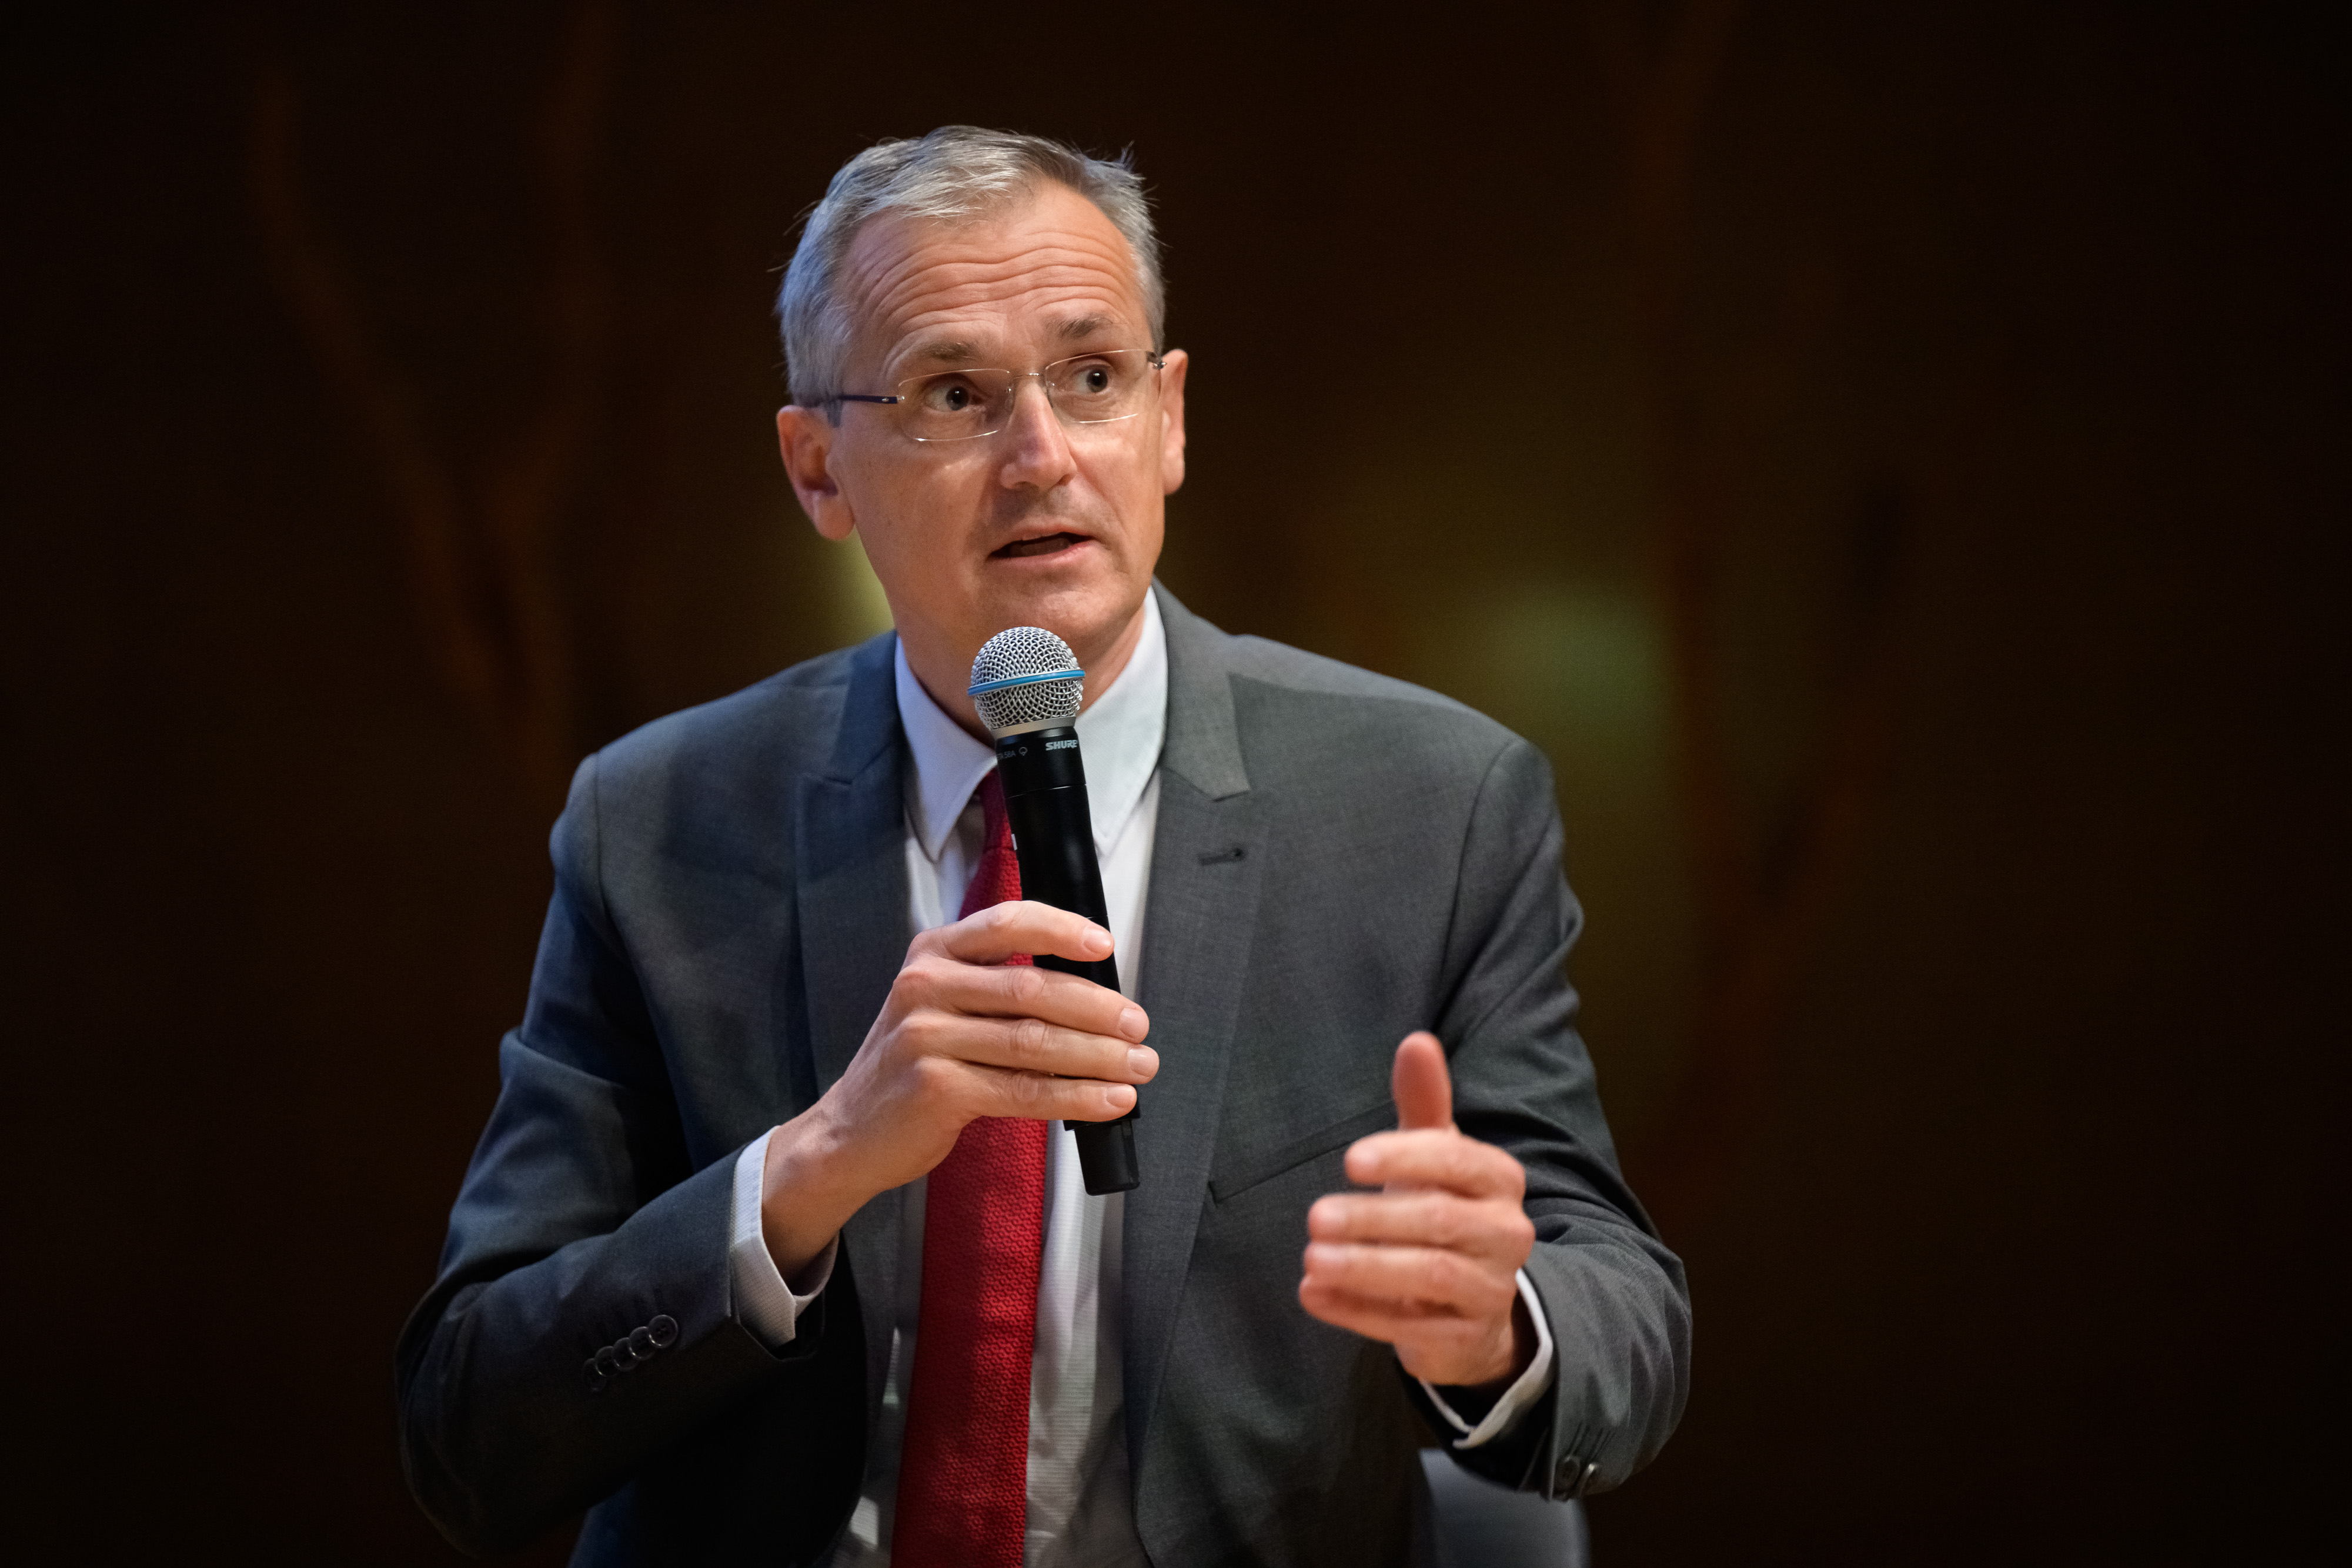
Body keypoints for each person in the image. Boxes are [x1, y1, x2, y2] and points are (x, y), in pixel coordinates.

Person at [396, 126, 1690, 1568]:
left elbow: (1624, 1313)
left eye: (1089, 377)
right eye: (953, 393)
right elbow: (470, 1423)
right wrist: (811, 1165)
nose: (1041, 455)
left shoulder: (1429, 805)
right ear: (817, 468)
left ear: (1168, 419)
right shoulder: (658, 823)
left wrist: (1495, 1324)